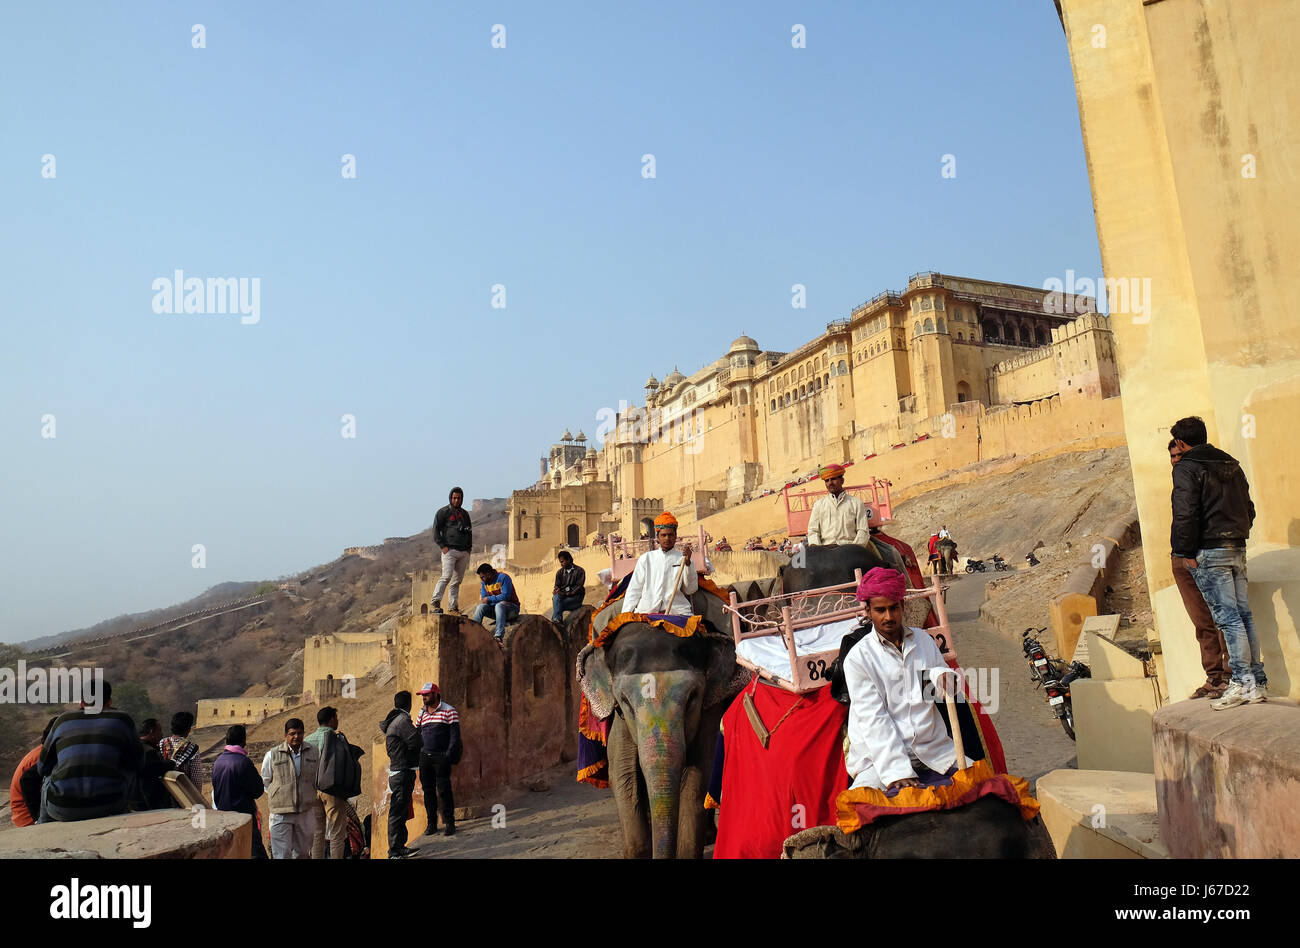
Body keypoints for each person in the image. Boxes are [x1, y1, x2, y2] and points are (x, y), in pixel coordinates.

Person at [1169, 416, 1265, 711]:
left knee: (1228, 619)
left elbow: (1185, 514)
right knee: (1244, 615)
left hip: (1209, 551)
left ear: (1182, 443)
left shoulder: (1187, 468)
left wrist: (1185, 552)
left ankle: (1240, 682)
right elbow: (1248, 508)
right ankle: (1256, 682)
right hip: (1236, 546)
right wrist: (1239, 534)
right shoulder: (1230, 464)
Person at [841, 568, 960, 792]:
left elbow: (936, 689)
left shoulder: (923, 640)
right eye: (880, 610)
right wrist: (897, 772)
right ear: (867, 611)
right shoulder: (858, 659)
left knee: (985, 783)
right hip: (878, 759)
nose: (888, 616)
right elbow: (874, 718)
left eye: (893, 608)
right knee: (858, 809)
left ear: (902, 606)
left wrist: (942, 678)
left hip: (933, 749)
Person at [1168, 437, 1231, 699]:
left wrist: (1190, 553)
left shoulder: (1209, 478)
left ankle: (1228, 675)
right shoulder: (1180, 482)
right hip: (1182, 558)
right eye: (1171, 457)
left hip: (1201, 554)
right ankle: (1213, 676)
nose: (1175, 461)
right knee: (1202, 621)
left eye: (1179, 456)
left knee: (1222, 617)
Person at [38, 681, 141, 822]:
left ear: (81, 703)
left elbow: (42, 767)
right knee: (128, 771)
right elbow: (138, 763)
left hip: (62, 808)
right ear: (109, 702)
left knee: (48, 776)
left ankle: (42, 830)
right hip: (110, 804)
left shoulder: (62, 720)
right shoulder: (122, 720)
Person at [622, 512, 711, 616]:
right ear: (658, 537)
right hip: (647, 611)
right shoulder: (646, 559)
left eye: (670, 535)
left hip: (677, 611)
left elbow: (690, 589)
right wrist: (625, 614)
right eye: (663, 535)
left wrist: (687, 564)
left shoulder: (682, 558)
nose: (667, 539)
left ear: (675, 536)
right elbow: (634, 589)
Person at [260, 718, 320, 858]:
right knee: (282, 854)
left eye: (299, 733)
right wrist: (279, 795)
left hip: (305, 811)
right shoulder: (272, 754)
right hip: (281, 813)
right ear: (285, 735)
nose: (296, 737)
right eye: (292, 733)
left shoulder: (313, 752)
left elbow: (316, 777)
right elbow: (266, 780)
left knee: (303, 853)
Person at [211, 724, 268, 859]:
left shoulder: (218, 761)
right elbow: (258, 790)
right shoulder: (243, 762)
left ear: (226, 740)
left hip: (224, 817)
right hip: (243, 818)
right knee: (255, 853)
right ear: (244, 741)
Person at [415, 683, 462, 838]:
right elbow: (416, 733)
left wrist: (447, 755)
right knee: (428, 792)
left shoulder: (449, 711)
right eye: (423, 695)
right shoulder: (422, 713)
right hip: (424, 757)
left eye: (427, 695)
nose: (424, 698)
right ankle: (432, 824)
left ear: (435, 694)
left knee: (444, 790)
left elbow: (455, 737)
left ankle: (449, 823)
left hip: (441, 757)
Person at [305, 706, 349, 859]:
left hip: (312, 790)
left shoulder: (307, 740)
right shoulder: (337, 738)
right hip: (332, 790)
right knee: (337, 832)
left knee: (318, 833)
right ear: (331, 720)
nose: (337, 721)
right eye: (336, 718)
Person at [382, 691, 421, 858]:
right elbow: (417, 741)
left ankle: (400, 846)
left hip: (400, 770)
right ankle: (394, 851)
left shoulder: (395, 720)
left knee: (402, 811)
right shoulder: (402, 720)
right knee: (397, 812)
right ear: (409, 704)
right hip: (402, 771)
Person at [8, 717, 57, 828]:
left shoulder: (44, 752)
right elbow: (27, 781)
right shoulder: (44, 757)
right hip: (27, 815)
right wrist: (37, 818)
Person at [431, 486, 473, 616]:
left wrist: (468, 549)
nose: (456, 500)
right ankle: (436, 600)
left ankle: (453, 607)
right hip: (449, 550)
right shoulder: (443, 512)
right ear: (450, 498)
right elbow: (436, 530)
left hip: (463, 551)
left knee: (456, 581)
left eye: (459, 498)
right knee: (446, 576)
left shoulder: (465, 514)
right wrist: (442, 546)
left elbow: (469, 531)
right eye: (454, 498)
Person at [806, 463, 870, 546]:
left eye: (833, 479)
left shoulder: (856, 503)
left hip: (850, 548)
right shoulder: (819, 505)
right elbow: (813, 531)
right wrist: (818, 549)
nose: (830, 483)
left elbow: (863, 530)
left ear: (842, 481)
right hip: (825, 549)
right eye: (827, 480)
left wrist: (854, 549)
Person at [131, 718, 177, 810]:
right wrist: (171, 763)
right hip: (147, 801)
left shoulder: (132, 745)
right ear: (152, 732)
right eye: (159, 731)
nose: (162, 734)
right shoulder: (148, 751)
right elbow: (156, 768)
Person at [473, 563, 521, 642]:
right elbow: (484, 599)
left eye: (482, 577)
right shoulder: (484, 583)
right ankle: (473, 631)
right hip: (497, 611)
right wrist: (491, 600)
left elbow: (506, 596)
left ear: (488, 574)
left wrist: (490, 599)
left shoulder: (503, 577)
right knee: (480, 607)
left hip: (512, 609)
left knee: (499, 605)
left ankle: (498, 637)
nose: (481, 579)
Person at [159, 711, 202, 796]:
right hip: (182, 794)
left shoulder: (162, 743)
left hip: (163, 792)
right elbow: (196, 780)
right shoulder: (192, 748)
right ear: (189, 729)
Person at [551, 550, 587, 623]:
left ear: (569, 560)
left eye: (562, 562)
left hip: (575, 599)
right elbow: (557, 586)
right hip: (563, 598)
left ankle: (557, 620)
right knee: (555, 598)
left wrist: (564, 593)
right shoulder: (559, 573)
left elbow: (578, 588)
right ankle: (557, 620)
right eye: (560, 562)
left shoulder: (580, 571)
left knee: (557, 604)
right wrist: (556, 590)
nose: (561, 564)